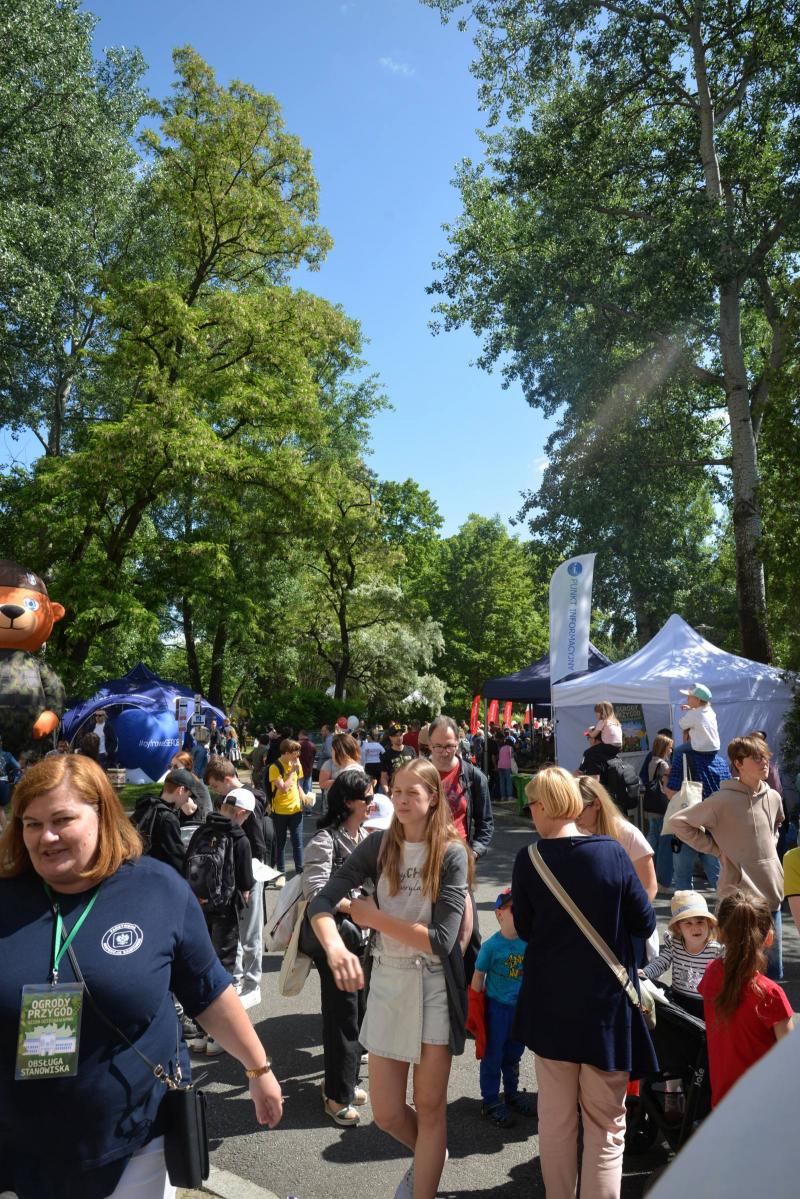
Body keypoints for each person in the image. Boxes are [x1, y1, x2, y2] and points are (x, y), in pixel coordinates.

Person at [0, 754, 282, 1199]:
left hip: (136, 1141)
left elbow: (207, 991)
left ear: (102, 816)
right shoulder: (6, 896)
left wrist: (258, 1067)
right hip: (20, 1144)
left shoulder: (157, 889)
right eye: (31, 824)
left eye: (62, 820)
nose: (45, 836)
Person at [309, 758, 471, 1199]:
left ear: (432, 798)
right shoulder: (378, 846)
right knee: (386, 1113)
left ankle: (425, 1181)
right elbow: (321, 901)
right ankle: (431, 1157)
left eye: (411, 793)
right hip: (387, 982)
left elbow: (441, 941)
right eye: (395, 790)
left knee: (430, 1108)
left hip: (434, 985)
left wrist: (374, 918)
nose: (400, 800)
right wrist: (335, 947)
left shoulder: (451, 852)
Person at [513, 767, 657, 1199]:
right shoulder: (611, 853)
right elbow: (645, 921)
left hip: (550, 1006)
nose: (530, 813)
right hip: (606, 1008)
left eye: (531, 805)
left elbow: (525, 928)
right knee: (606, 1126)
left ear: (545, 806)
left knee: (556, 1121)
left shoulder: (530, 859)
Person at [670, 734, 785, 979]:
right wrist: (716, 849)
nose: (764, 762)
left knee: (771, 974)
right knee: (738, 972)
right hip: (737, 899)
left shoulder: (773, 797)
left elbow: (777, 824)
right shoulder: (721, 801)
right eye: (756, 757)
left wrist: (771, 849)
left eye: (765, 756)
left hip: (771, 896)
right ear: (738, 763)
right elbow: (679, 822)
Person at [301, 770, 373, 1126]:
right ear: (348, 803)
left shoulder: (365, 836)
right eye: (367, 799)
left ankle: (345, 1082)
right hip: (336, 939)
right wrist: (354, 908)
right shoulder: (325, 840)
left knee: (360, 1012)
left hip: (364, 938)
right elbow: (316, 893)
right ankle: (336, 1096)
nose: (373, 804)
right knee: (342, 1016)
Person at [698, 889, 794, 1107]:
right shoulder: (770, 993)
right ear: (769, 938)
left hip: (723, 1102)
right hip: (764, 1106)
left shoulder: (712, 973)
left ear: (720, 933)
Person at [185, 787, 256, 1053]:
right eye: (246, 816)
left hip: (199, 908)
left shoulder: (202, 831)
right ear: (241, 812)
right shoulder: (239, 838)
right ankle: (218, 1038)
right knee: (223, 971)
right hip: (225, 911)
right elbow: (246, 882)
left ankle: (200, 1033)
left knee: (201, 968)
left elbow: (186, 865)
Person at [204, 757, 268, 1005]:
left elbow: (257, 844)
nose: (216, 791)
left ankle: (251, 983)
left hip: (248, 875)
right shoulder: (233, 806)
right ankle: (238, 979)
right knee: (237, 932)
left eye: (216, 786)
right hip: (235, 877)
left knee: (248, 933)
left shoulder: (246, 804)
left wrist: (247, 877)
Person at [471, 889, 535, 1128]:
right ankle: (490, 1100)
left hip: (520, 1010)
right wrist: (475, 1009)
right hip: (496, 1010)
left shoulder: (528, 943)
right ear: (499, 914)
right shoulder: (491, 947)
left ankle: (511, 1093)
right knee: (493, 1055)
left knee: (514, 1053)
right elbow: (478, 976)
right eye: (515, 909)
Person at [639, 891, 722, 1018]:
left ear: (708, 923)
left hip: (705, 1004)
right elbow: (661, 962)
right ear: (679, 928)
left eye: (700, 922)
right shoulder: (675, 945)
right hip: (679, 1000)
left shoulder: (716, 950)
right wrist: (646, 972)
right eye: (688, 923)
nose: (695, 927)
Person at [576, 775, 658, 901]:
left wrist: (633, 912)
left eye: (578, 811)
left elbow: (649, 887)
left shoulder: (628, 834)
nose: (574, 817)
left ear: (597, 804)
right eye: (569, 810)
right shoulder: (574, 831)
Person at [427, 715, 493, 861]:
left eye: (449, 746)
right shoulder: (418, 774)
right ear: (430, 744)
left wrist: (473, 853)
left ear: (457, 742)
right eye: (438, 746)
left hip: (458, 859)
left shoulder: (474, 777)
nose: (444, 752)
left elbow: (486, 822)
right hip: (423, 857)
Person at [269, 738, 310, 880]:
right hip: (280, 812)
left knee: (298, 843)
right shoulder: (275, 767)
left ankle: (300, 873)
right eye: (295, 753)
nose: (298, 756)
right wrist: (292, 771)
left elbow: (297, 785)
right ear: (286, 753)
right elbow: (284, 788)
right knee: (280, 843)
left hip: (296, 810)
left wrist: (304, 796)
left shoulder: (296, 764)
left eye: (298, 753)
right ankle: (281, 874)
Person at [640, 732, 674, 889]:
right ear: (664, 748)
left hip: (652, 805)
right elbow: (667, 785)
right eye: (670, 748)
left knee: (652, 836)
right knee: (662, 841)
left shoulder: (652, 761)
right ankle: (659, 876)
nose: (671, 751)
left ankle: (646, 868)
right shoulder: (664, 765)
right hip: (661, 806)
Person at [677, 683, 719, 752]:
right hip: (714, 748)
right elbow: (700, 714)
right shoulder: (710, 710)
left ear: (698, 700)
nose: (687, 699)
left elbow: (681, 724)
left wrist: (691, 711)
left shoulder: (693, 714)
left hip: (700, 749)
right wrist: (692, 708)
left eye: (690, 697)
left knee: (677, 751)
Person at [379, 724, 417, 794]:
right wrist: (387, 793)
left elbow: (417, 770)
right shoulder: (386, 755)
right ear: (390, 737)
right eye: (396, 735)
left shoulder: (411, 750)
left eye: (400, 735)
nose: (399, 738)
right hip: (396, 791)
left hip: (412, 789)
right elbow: (384, 777)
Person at [297, 729, 317, 798]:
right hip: (309, 770)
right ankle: (308, 805)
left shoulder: (298, 745)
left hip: (299, 770)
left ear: (301, 734)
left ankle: (300, 804)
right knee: (308, 792)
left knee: (299, 791)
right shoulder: (313, 745)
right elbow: (314, 756)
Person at [496, 736, 515, 801]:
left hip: (500, 765)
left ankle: (503, 796)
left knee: (502, 781)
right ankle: (509, 796)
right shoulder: (510, 748)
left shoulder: (501, 748)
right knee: (508, 781)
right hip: (507, 765)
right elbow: (512, 757)